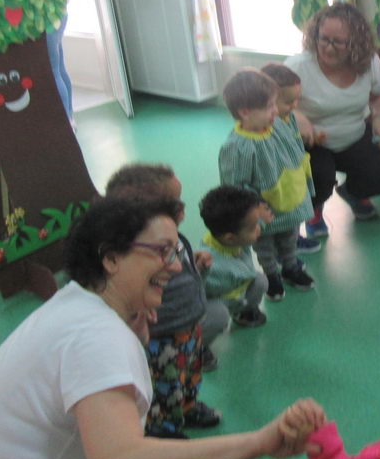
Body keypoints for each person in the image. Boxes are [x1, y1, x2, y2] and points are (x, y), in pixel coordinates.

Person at [0, 195, 316, 459]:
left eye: (175, 251)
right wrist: (260, 442)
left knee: (175, 453)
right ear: (111, 258)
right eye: (162, 251)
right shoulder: (96, 337)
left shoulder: (75, 307)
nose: (177, 265)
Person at [106, 163, 225, 434]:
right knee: (165, 389)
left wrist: (194, 262)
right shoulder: (138, 254)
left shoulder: (173, 236)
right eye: (173, 203)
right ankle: (166, 428)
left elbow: (177, 262)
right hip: (162, 336)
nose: (182, 208)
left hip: (189, 328)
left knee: (190, 376)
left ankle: (188, 406)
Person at [284, 2, 380, 238]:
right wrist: (297, 116)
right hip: (313, 143)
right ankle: (315, 207)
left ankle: (352, 192)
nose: (328, 48)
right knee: (320, 176)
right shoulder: (298, 66)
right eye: (323, 39)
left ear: (355, 43)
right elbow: (273, 104)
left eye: (338, 42)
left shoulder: (368, 62)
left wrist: (379, 117)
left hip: (354, 135)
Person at [218, 69, 316, 301]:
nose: (276, 111)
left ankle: (290, 267)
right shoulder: (237, 146)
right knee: (265, 244)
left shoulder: (277, 125)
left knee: (290, 235)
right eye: (269, 106)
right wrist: (254, 208)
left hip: (290, 200)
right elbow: (234, 185)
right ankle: (272, 274)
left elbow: (293, 150)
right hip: (265, 209)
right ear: (245, 112)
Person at [260, 62, 322, 255]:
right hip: (279, 183)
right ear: (267, 100)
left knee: (293, 218)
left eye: (297, 100)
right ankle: (280, 252)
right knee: (278, 221)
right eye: (288, 102)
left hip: (294, 180)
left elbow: (293, 139)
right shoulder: (265, 126)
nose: (294, 106)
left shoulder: (289, 117)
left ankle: (292, 242)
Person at [199, 185, 270, 329]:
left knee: (261, 280)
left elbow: (249, 227)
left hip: (239, 289)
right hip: (222, 299)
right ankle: (200, 346)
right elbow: (197, 292)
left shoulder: (232, 237)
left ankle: (245, 312)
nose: (258, 229)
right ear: (230, 238)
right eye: (254, 226)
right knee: (220, 314)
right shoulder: (211, 263)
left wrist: (261, 218)